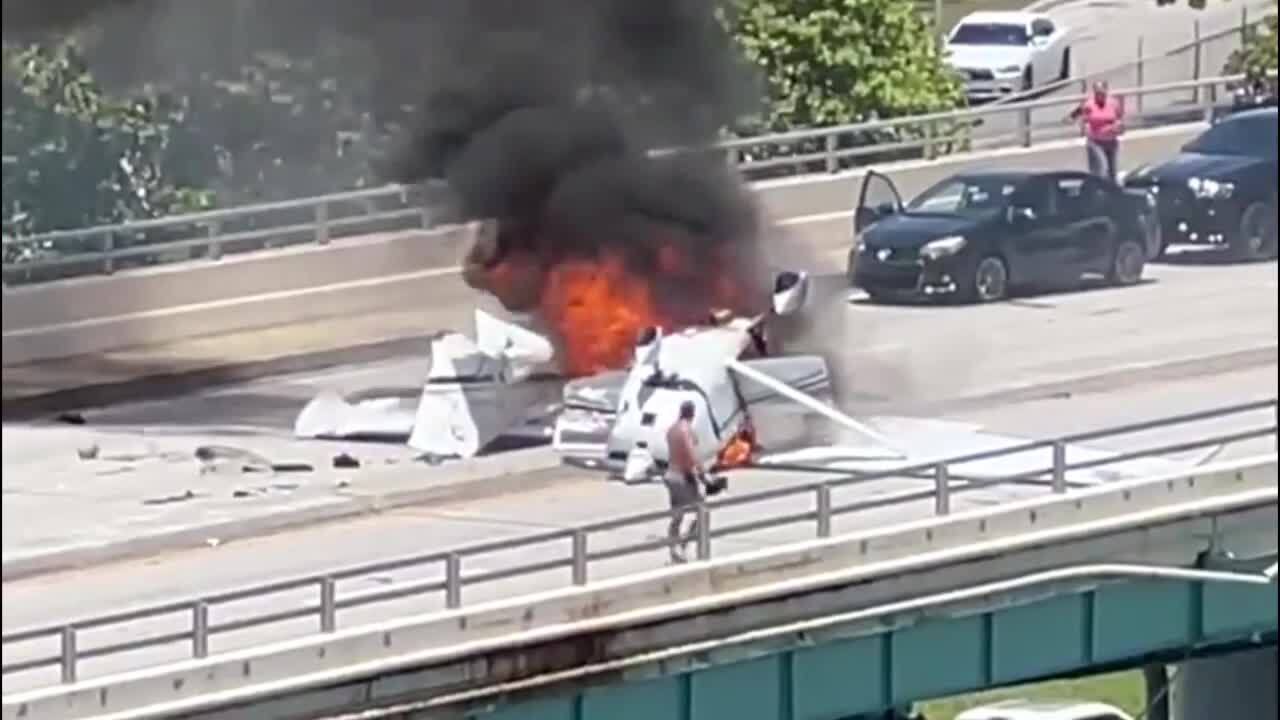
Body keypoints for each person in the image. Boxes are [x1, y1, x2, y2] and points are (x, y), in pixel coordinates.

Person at [664, 400, 709, 564]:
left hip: (670, 475)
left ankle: (674, 550)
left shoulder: (671, 429)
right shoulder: (687, 430)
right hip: (683, 476)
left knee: (677, 516)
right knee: (701, 510)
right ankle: (684, 546)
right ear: (692, 413)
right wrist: (703, 473)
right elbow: (691, 454)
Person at [1068, 80, 1125, 182]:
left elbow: (1119, 118)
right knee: (1103, 167)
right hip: (1096, 142)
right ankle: (1100, 187)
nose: (1100, 95)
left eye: (1102, 92)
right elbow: (1075, 115)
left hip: (1112, 141)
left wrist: (1119, 126)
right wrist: (1080, 124)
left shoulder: (1113, 103)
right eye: (1097, 92)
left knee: (1113, 171)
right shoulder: (1089, 104)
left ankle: (1112, 189)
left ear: (1106, 90)